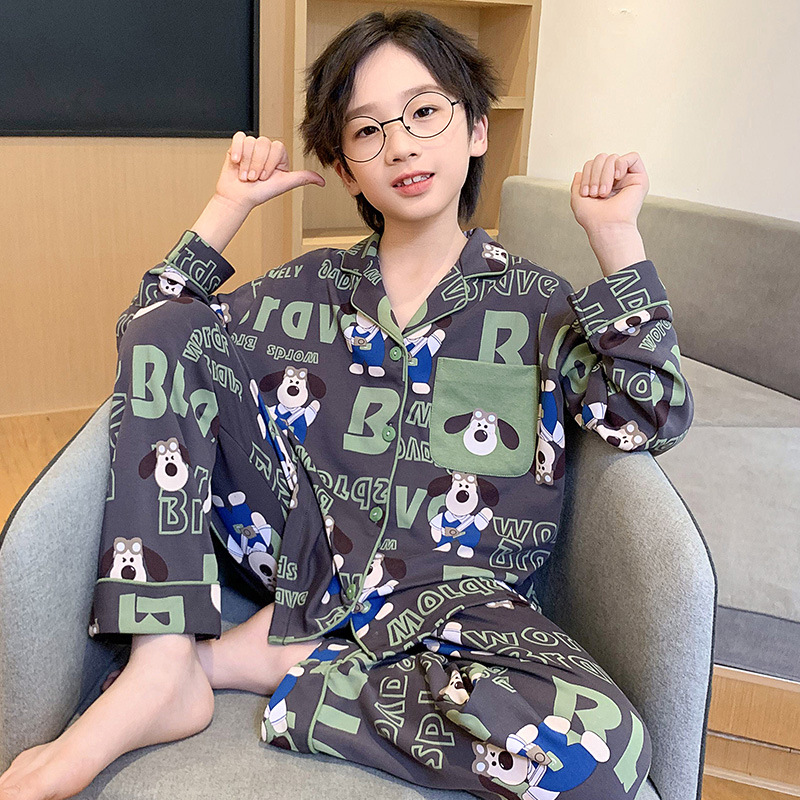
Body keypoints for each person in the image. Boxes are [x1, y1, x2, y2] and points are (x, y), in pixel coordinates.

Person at [0, 9, 693, 800]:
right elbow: (148, 340)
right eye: (367, 131)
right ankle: (160, 669)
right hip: (304, 556)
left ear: (476, 130)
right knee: (170, 328)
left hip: (461, 601)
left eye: (424, 112)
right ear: (345, 169)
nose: (400, 145)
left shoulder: (539, 305)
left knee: (607, 750)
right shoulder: (304, 290)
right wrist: (226, 210)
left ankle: (256, 663)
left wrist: (616, 239)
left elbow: (649, 416)